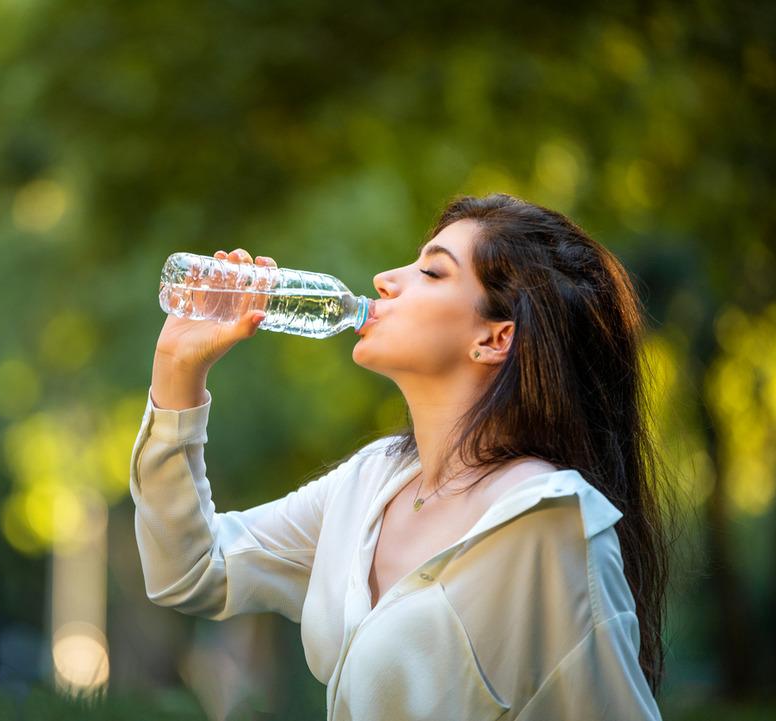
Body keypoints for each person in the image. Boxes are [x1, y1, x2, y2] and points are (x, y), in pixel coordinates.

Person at [129, 193, 671, 720]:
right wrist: (178, 370)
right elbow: (192, 570)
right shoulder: (372, 480)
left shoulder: (549, 520)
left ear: (494, 338)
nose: (385, 280)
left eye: (432, 272)